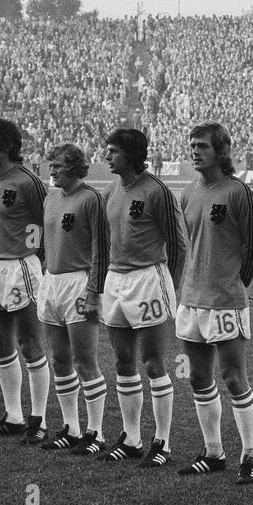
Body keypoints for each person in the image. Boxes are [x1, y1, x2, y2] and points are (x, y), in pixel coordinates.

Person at [174, 123, 253, 482]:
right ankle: (213, 452)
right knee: (198, 377)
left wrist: (235, 284)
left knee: (232, 377)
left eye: (202, 146)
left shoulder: (238, 192)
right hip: (191, 298)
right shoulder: (187, 193)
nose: (195, 151)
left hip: (225, 300)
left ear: (221, 151)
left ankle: (250, 457)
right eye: (192, 145)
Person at [97, 128, 187, 467]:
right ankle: (131, 438)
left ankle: (162, 442)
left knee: (153, 362)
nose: (107, 156)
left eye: (113, 151)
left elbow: (178, 244)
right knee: (123, 362)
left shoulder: (157, 191)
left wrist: (171, 287)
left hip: (150, 278)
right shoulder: (110, 192)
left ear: (131, 155)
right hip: (116, 279)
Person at [0, 119, 52, 444]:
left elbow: (44, 227)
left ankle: (41, 420)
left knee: (30, 344)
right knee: (1, 345)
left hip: (21, 267)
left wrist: (34, 263)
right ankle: (14, 415)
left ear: (6, 146)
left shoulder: (28, 182)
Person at [35, 143, 111, 454]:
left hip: (79, 284)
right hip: (52, 282)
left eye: (58, 165)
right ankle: (71, 427)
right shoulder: (50, 198)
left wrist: (94, 292)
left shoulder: (91, 198)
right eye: (50, 165)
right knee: (59, 359)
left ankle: (97, 433)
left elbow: (101, 250)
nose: (51, 170)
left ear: (75, 167)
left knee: (84, 361)